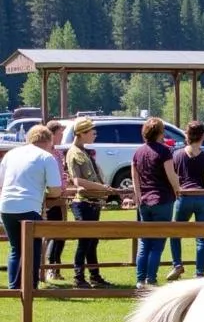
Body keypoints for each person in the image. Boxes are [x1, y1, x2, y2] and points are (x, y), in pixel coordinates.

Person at [0, 125, 62, 289]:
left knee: (15, 248)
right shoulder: (46, 157)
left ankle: (14, 286)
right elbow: (56, 190)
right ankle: (30, 286)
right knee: (32, 248)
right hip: (29, 206)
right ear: (49, 140)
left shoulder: (11, 154)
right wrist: (43, 193)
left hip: (6, 206)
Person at [64, 117, 120, 288]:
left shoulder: (84, 151)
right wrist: (103, 188)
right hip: (83, 202)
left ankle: (94, 276)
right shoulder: (74, 153)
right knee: (85, 241)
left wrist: (102, 190)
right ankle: (78, 277)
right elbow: (78, 181)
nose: (94, 134)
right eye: (91, 132)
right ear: (81, 134)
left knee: (92, 241)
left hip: (93, 202)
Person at [131, 116, 182, 290]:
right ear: (160, 132)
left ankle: (140, 280)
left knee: (145, 242)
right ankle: (151, 279)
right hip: (162, 200)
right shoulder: (164, 151)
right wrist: (177, 188)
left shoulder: (138, 152)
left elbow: (134, 177)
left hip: (144, 201)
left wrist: (138, 196)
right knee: (158, 243)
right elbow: (171, 175)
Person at [167, 121, 204, 281]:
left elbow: (172, 177)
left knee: (175, 233)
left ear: (186, 135)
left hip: (184, 197)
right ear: (202, 137)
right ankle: (199, 273)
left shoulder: (177, 154)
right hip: (203, 198)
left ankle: (177, 264)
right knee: (201, 237)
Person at [43, 119, 68, 280]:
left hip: (61, 197)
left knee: (61, 234)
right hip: (50, 198)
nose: (62, 136)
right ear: (52, 134)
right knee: (52, 233)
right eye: (60, 133)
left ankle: (55, 267)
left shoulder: (58, 153)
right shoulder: (47, 154)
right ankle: (50, 268)